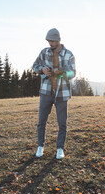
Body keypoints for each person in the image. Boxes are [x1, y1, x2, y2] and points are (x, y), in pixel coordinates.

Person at [32, 28, 76, 159]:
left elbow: (73, 73)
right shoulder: (44, 52)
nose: (50, 43)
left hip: (62, 94)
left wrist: (61, 72)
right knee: (41, 121)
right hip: (45, 92)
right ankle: (40, 146)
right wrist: (42, 69)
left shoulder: (69, 54)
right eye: (48, 41)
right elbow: (34, 66)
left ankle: (60, 149)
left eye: (52, 40)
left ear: (58, 40)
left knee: (62, 123)